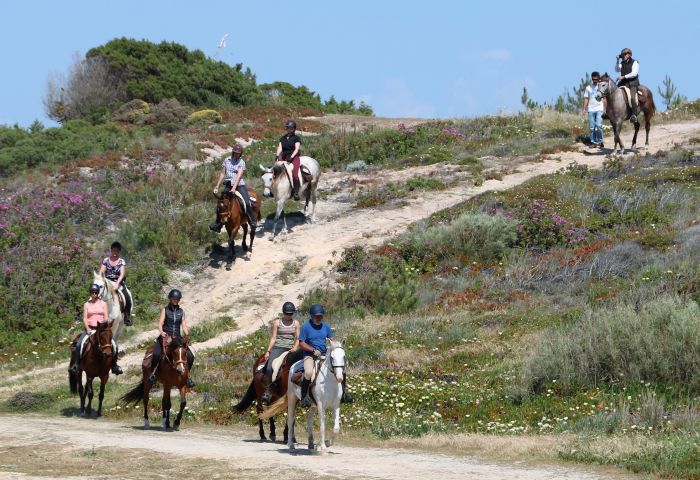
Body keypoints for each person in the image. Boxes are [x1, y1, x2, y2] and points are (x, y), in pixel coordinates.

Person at [298, 304, 353, 407]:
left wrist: (338, 345)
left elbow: (332, 339)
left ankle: (344, 394)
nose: (318, 318)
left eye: (320, 316)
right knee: (309, 372)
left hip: (323, 353)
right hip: (310, 355)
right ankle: (304, 397)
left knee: (340, 370)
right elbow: (301, 343)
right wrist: (313, 350)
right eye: (316, 316)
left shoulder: (326, 326)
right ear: (312, 316)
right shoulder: (306, 327)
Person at [69, 283, 123, 375]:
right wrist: (88, 329)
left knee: (114, 345)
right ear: (90, 293)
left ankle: (114, 365)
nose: (94, 294)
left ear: (98, 293)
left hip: (101, 329)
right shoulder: (86, 304)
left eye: (96, 292)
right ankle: (77, 364)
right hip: (90, 329)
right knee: (79, 345)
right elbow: (85, 318)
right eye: (93, 292)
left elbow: (106, 317)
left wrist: (103, 326)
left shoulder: (103, 304)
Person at [146, 289, 196, 388]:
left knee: (190, 356)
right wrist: (162, 332)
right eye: (174, 298)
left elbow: (184, 325)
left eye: (177, 298)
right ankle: (153, 374)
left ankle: (187, 377)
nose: (175, 300)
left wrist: (187, 334)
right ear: (170, 298)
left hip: (177, 338)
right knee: (156, 354)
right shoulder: (165, 310)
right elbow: (160, 324)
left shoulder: (181, 311)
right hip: (165, 336)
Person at [210, 143, 258, 232]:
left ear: (240, 154)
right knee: (220, 204)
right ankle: (218, 224)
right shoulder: (226, 160)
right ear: (233, 152)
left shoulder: (241, 162)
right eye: (235, 152)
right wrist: (217, 185)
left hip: (239, 185)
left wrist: (234, 188)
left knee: (247, 202)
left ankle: (252, 221)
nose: (236, 154)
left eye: (238, 153)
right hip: (228, 184)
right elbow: (222, 173)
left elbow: (239, 176)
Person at [261, 301, 301, 403]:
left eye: (291, 313)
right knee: (269, 367)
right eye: (287, 313)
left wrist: (296, 347)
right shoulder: (277, 323)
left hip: (290, 349)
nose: (289, 315)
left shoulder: (296, 323)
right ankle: (267, 390)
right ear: (283, 313)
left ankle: (303, 392)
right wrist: (268, 351)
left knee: (302, 366)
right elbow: (273, 338)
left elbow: (298, 338)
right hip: (278, 347)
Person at [99, 241, 133, 326]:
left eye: (117, 251)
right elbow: (101, 272)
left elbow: (122, 274)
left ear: (119, 251)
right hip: (107, 282)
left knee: (127, 296)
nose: (115, 253)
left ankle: (127, 316)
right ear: (111, 250)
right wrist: (101, 279)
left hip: (118, 282)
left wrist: (117, 283)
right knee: (96, 293)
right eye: (113, 250)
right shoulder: (106, 260)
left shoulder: (121, 261)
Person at [275, 120, 302, 201]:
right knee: (274, 170)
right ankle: (273, 190)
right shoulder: (282, 138)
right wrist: (277, 156)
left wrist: (292, 156)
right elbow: (280, 147)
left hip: (294, 157)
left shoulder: (296, 138)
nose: (289, 129)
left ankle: (296, 193)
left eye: (291, 128)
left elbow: (297, 149)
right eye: (288, 128)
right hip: (284, 157)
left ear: (294, 129)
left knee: (294, 174)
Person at [615, 47, 641, 123]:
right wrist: (617, 60)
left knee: (632, 98)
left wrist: (624, 76)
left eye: (625, 54)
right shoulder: (621, 63)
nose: (624, 56)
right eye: (623, 55)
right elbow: (616, 69)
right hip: (623, 83)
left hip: (632, 83)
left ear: (629, 54)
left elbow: (634, 73)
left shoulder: (635, 62)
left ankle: (634, 115)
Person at [582, 71, 605, 148]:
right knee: (592, 127)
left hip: (599, 108)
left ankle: (600, 141)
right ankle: (593, 142)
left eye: (596, 79)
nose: (594, 80)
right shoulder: (588, 88)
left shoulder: (601, 86)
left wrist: (606, 108)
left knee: (598, 125)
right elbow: (586, 98)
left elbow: (605, 98)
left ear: (599, 79)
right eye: (593, 79)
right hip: (591, 109)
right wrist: (584, 109)